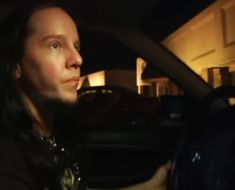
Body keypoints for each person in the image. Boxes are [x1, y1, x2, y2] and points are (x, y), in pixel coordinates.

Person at [0, 1, 170, 190]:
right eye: (55, 45)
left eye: (76, 46)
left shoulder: (54, 135)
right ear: (16, 64)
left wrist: (149, 186)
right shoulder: (8, 160)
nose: (78, 59)